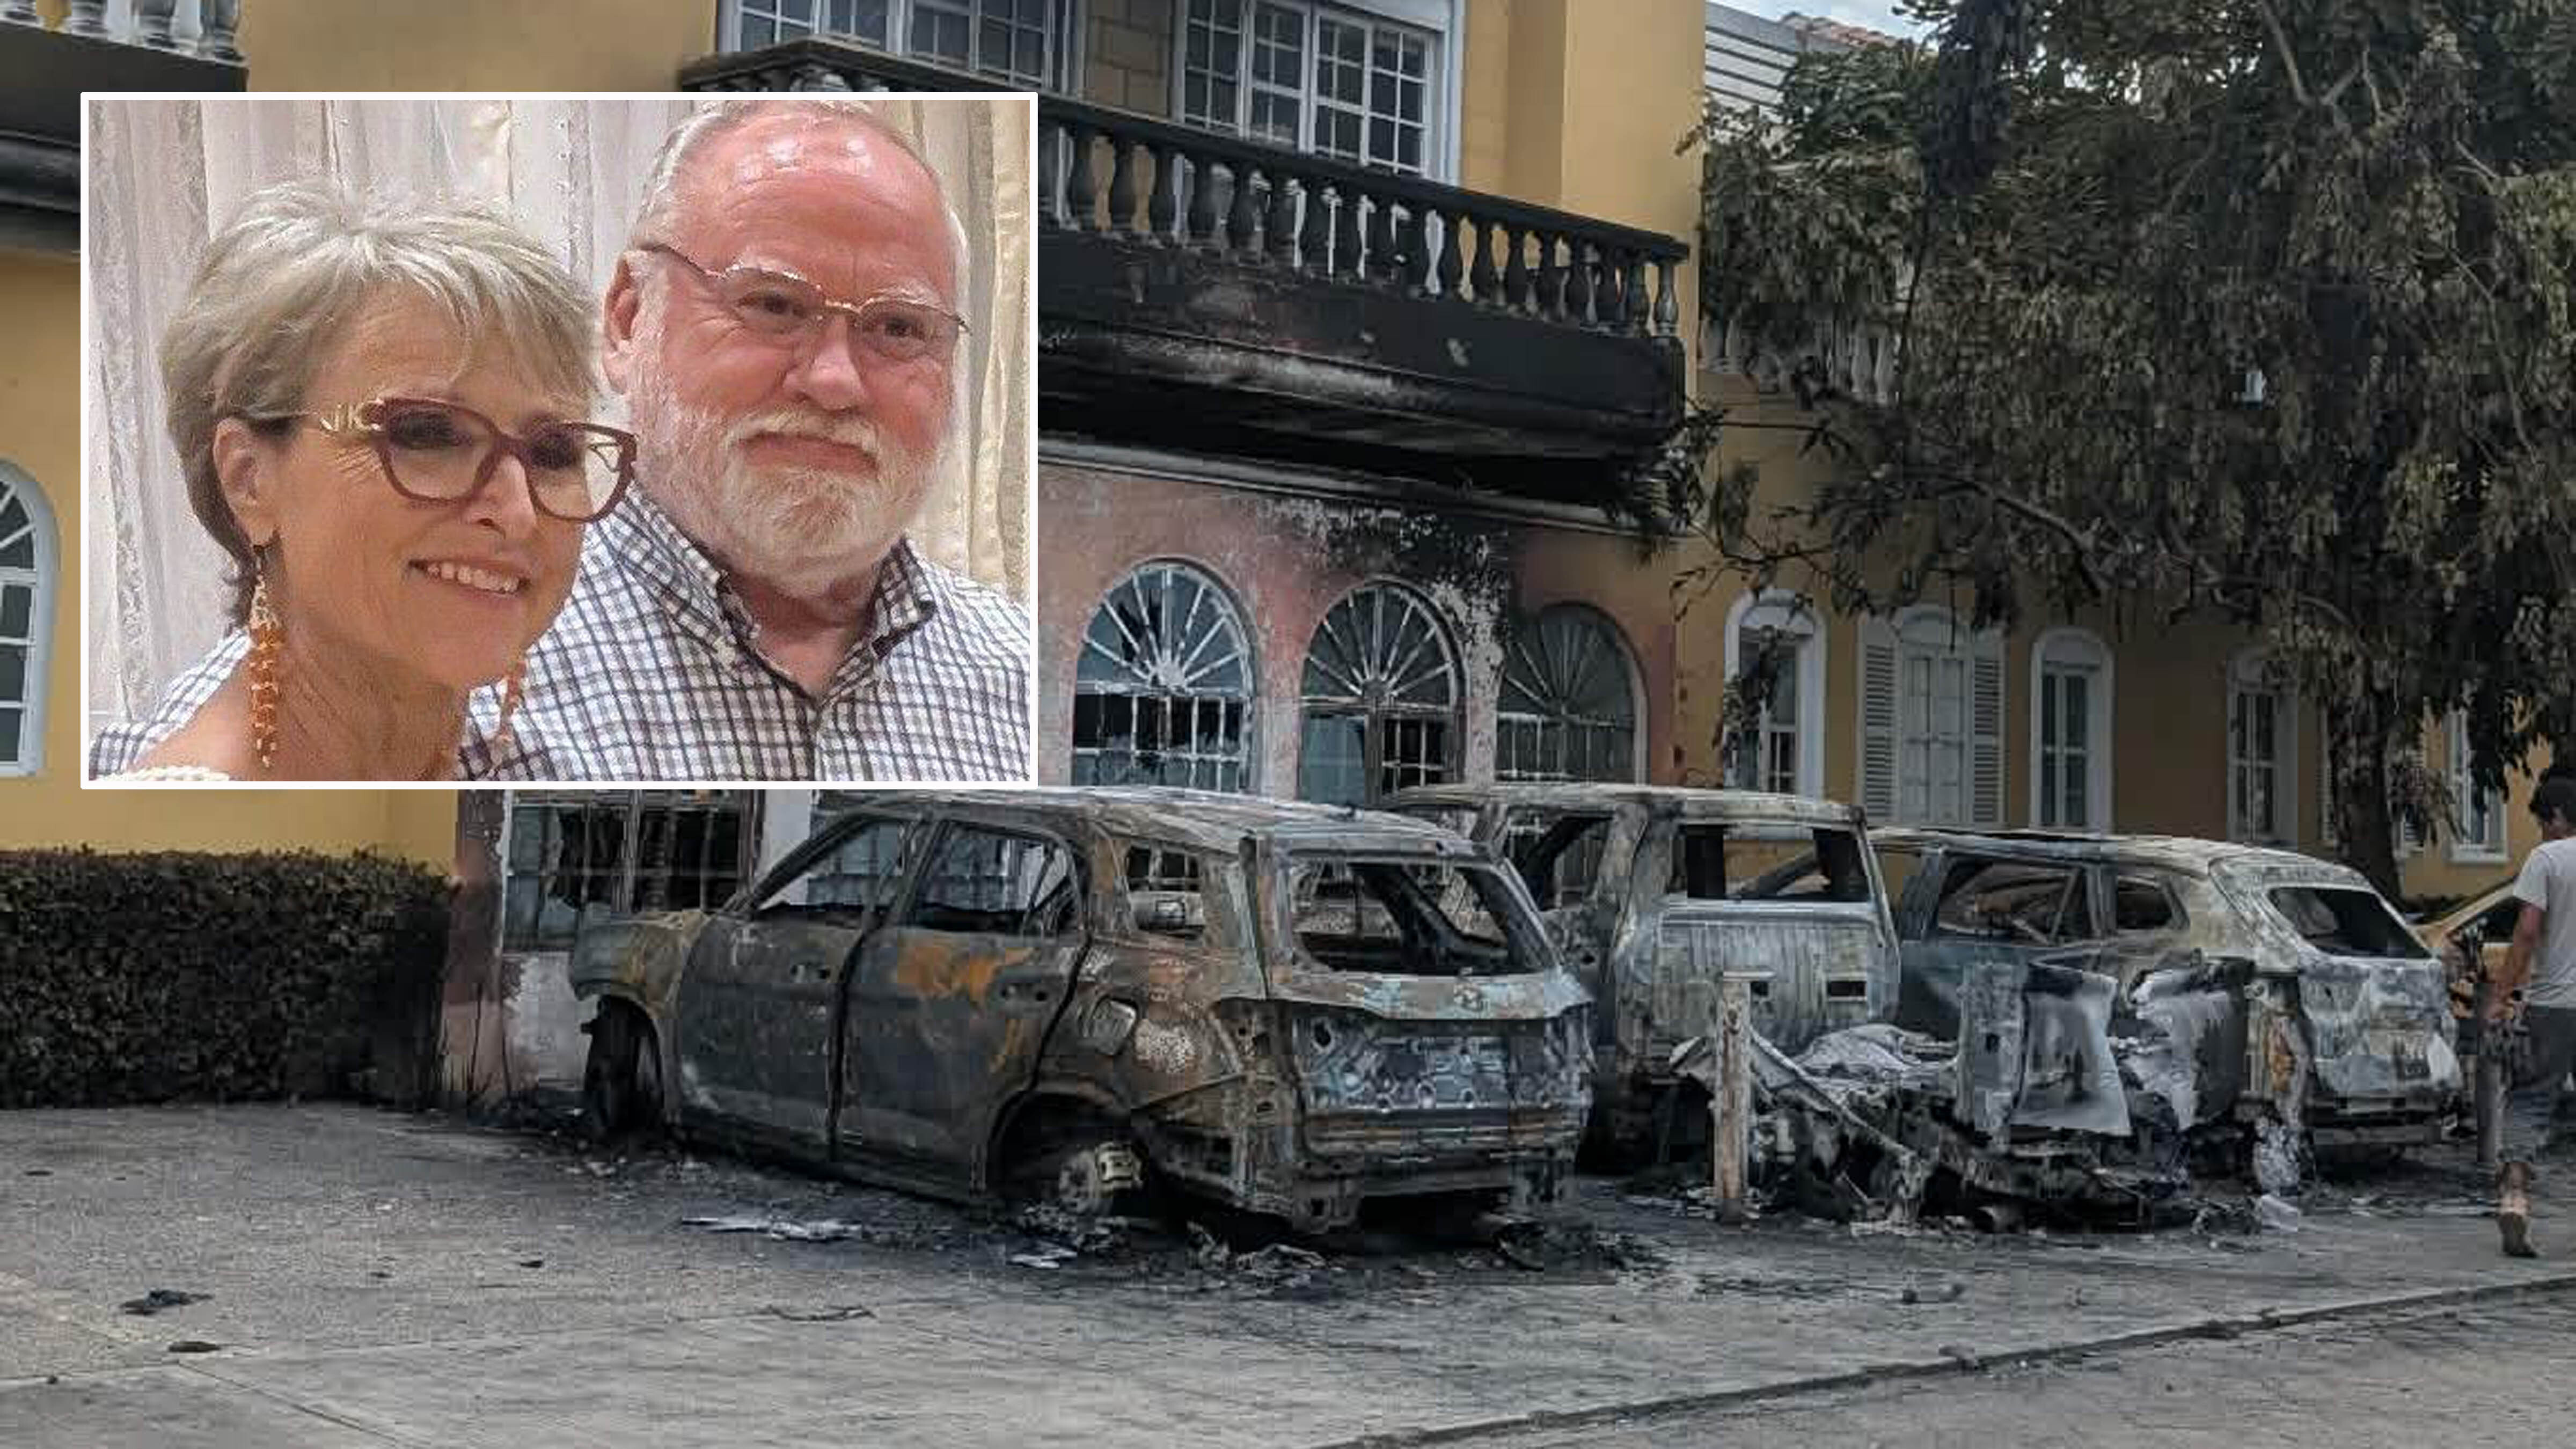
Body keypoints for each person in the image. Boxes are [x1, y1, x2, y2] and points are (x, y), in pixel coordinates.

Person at [94, 97, 1030, 782]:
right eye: (773, 305)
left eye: (900, 329)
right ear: (627, 320)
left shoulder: (1017, 673)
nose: (836, 380)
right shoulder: (429, 644)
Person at [109, 183, 614, 781]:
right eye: (428, 434)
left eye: (554, 452)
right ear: (249, 479)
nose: (517, 512)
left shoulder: (533, 774)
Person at [2491, 775, 2576, 1256]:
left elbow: (2526, 934)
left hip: (2554, 1005)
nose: (2542, 833)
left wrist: (2500, 995)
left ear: (2558, 817)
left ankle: (2515, 1198)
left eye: (2544, 823)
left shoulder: (2547, 860)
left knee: (2530, 1100)